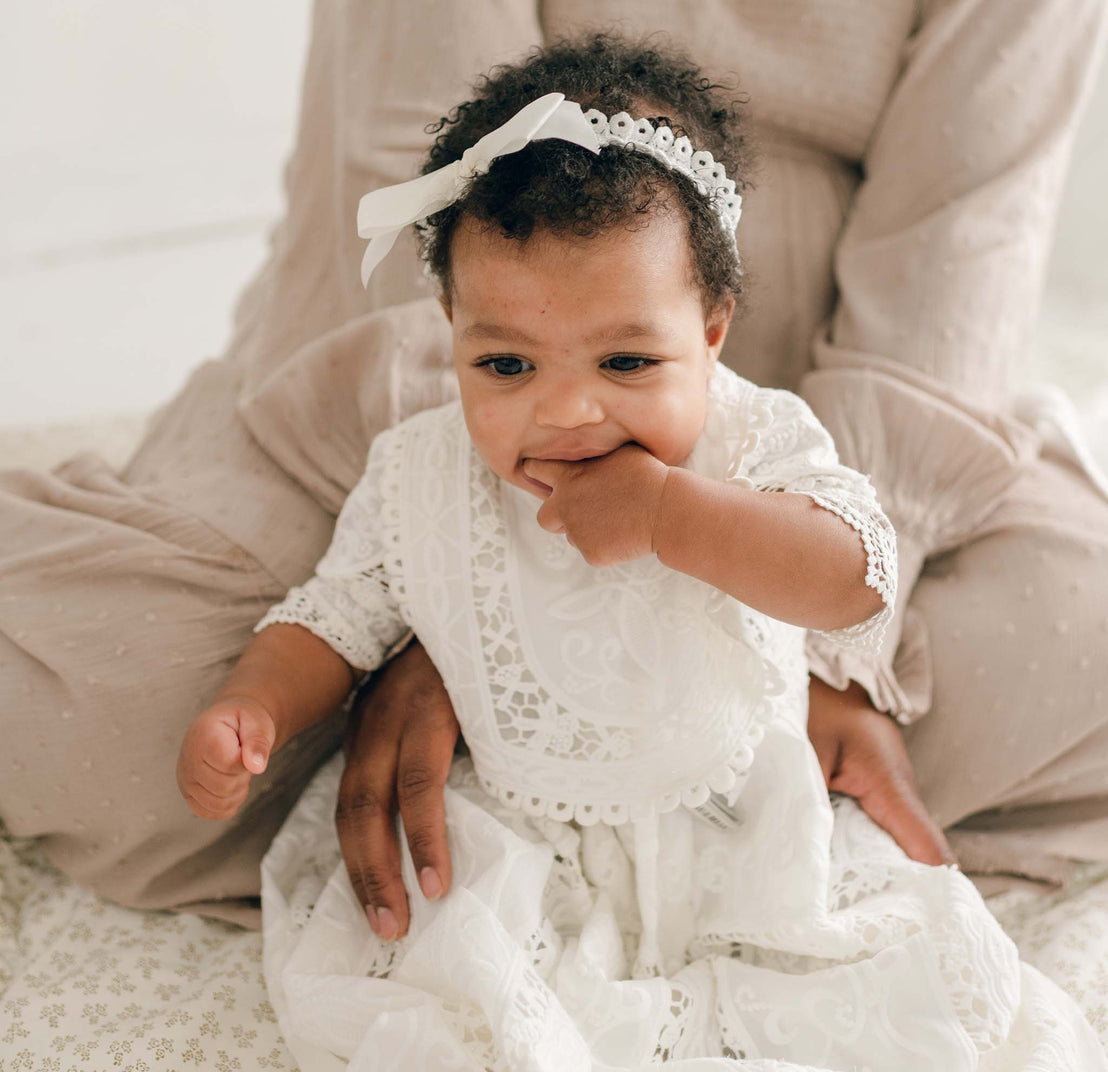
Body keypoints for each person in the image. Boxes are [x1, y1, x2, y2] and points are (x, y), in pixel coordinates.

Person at [2, 0, 1106, 937]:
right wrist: (468, 607)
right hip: (424, 392)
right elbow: (423, 204)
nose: (584, 407)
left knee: (1070, 654)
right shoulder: (440, 404)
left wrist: (812, 643)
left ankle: (666, 796)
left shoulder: (763, 421)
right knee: (114, 711)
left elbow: (961, 258)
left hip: (817, 433)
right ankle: (553, 806)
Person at [215, 39, 1102, 1072]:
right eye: (505, 365)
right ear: (449, 334)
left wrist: (679, 514)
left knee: (883, 1014)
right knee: (480, 1031)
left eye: (626, 362)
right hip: (531, 841)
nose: (567, 410)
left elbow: (853, 575)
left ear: (713, 332)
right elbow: (336, 612)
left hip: (739, 830)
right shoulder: (419, 469)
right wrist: (252, 707)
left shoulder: (752, 442)